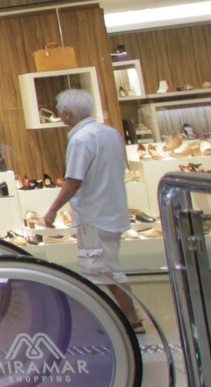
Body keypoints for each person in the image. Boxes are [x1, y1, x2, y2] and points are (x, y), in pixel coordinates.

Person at [43, 88, 139, 323]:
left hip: (94, 213)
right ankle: (127, 319)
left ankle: (129, 319)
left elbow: (74, 180)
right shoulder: (110, 133)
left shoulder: (81, 139)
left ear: (67, 114)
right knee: (106, 268)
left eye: (59, 111)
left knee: (100, 269)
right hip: (111, 208)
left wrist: (53, 209)